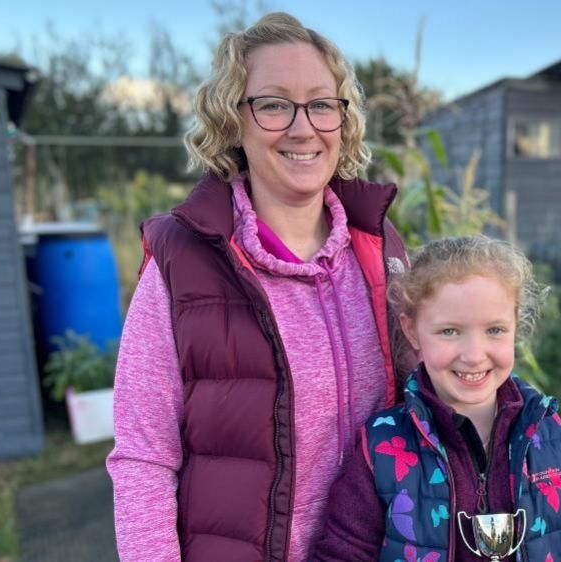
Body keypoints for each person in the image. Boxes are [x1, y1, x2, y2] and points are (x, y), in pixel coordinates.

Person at [106, 12, 413, 562]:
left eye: (322, 104)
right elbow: (144, 457)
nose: (303, 127)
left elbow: (428, 404)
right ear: (233, 123)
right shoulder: (185, 258)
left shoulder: (379, 245)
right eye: (273, 104)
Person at [313, 236, 561, 561]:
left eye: (495, 330)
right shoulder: (381, 447)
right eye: (450, 331)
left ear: (516, 325)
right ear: (412, 330)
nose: (473, 355)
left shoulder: (551, 438)